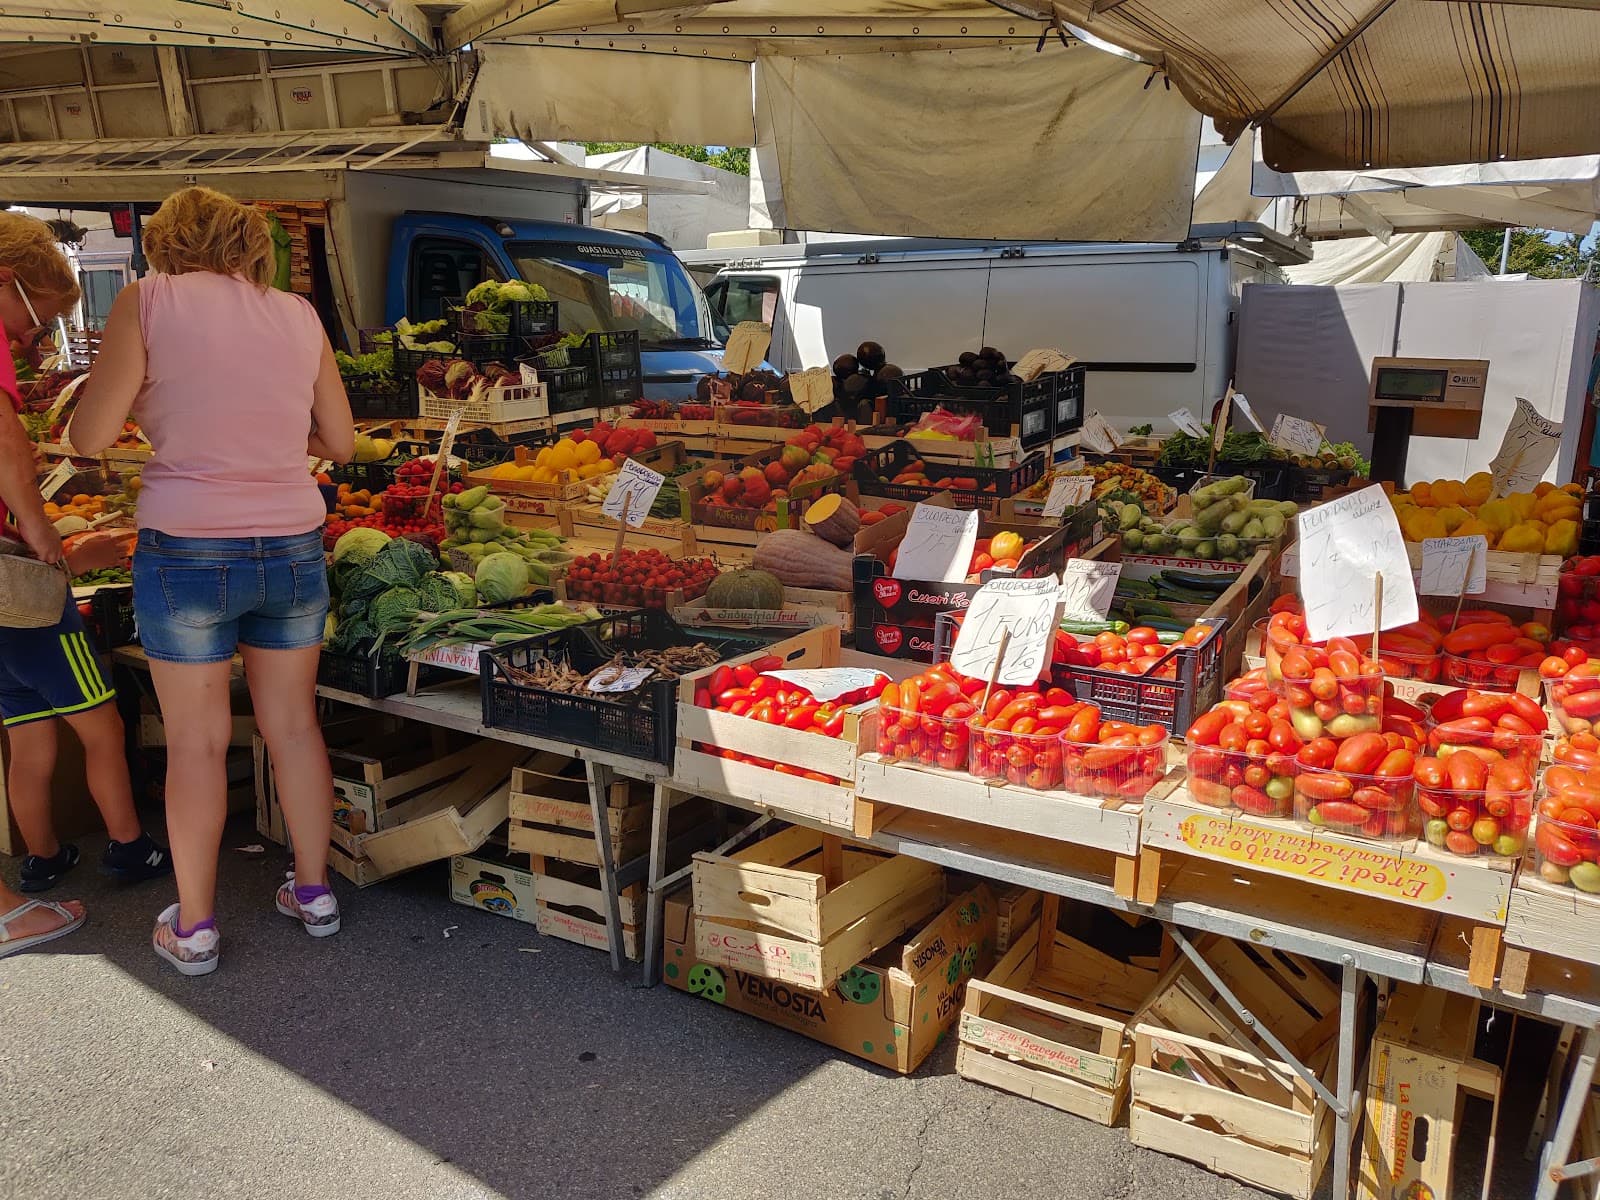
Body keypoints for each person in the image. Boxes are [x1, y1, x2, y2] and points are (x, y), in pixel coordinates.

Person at [72, 186, 355, 977]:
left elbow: (89, 433)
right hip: (293, 541)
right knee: (293, 726)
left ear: (165, 242)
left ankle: (195, 927)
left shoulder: (145, 300)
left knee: (195, 744)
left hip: (188, 547)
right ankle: (313, 889)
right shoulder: (298, 314)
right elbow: (341, 441)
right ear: (245, 241)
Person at [0, 213, 170, 957]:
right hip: (22, 595)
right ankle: (129, 846)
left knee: (25, 734)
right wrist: (47, 541)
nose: (38, 337)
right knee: (100, 725)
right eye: (42, 315)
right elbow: (5, 441)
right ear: (13, 285)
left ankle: (42, 856)